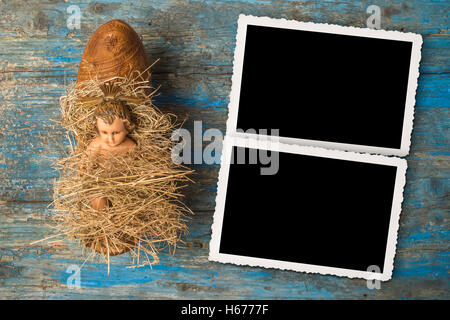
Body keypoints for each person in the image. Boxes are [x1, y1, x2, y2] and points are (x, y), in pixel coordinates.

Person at [85, 99, 137, 211]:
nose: (110, 139)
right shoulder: (97, 145)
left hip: (124, 184)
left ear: (127, 127)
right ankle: (105, 219)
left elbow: (138, 164)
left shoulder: (129, 146)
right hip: (101, 182)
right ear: (96, 127)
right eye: (104, 132)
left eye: (116, 133)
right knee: (97, 197)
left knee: (130, 200)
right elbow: (85, 165)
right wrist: (86, 173)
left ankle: (121, 217)